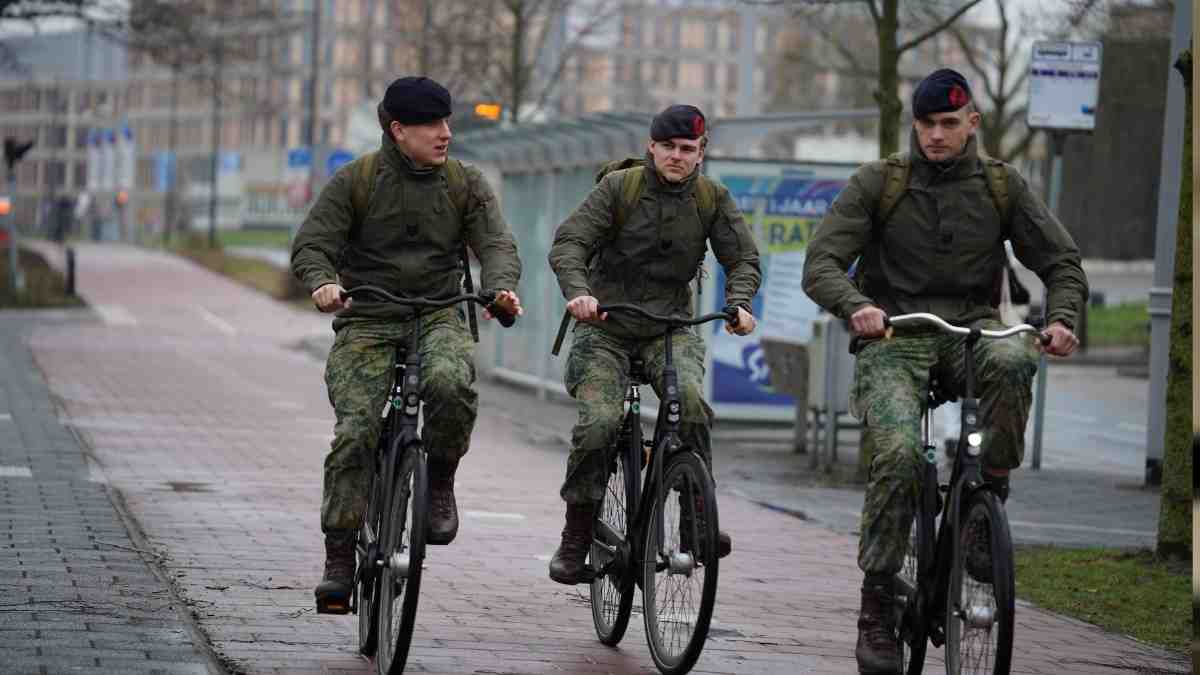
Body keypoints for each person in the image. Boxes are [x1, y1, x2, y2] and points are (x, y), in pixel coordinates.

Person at [801, 69, 1088, 674]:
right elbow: (821, 262)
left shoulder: (1001, 186)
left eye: (949, 123)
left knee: (1015, 357)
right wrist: (857, 307)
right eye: (926, 123)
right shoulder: (879, 181)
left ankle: (989, 497)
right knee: (898, 454)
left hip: (971, 332)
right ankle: (877, 604)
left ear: (972, 123)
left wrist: (1061, 318)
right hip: (894, 335)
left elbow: (1061, 260)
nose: (936, 135)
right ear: (915, 124)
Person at [291, 76, 523, 611]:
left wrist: (500, 288)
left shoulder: (465, 183)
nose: (446, 134)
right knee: (356, 431)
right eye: (432, 125)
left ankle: (440, 479)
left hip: (439, 312)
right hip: (369, 317)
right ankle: (339, 554)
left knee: (450, 382)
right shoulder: (356, 181)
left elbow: (496, 243)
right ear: (398, 130)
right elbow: (313, 244)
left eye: (447, 123)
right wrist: (322, 282)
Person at [546, 104, 762, 585]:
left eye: (687, 149)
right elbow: (570, 243)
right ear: (651, 146)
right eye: (668, 147)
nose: (676, 156)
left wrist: (740, 303)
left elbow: (742, 258)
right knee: (600, 422)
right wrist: (579, 293)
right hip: (605, 324)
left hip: (669, 328)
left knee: (690, 402)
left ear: (701, 153)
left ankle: (696, 519)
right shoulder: (618, 188)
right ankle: (576, 533)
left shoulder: (711, 198)